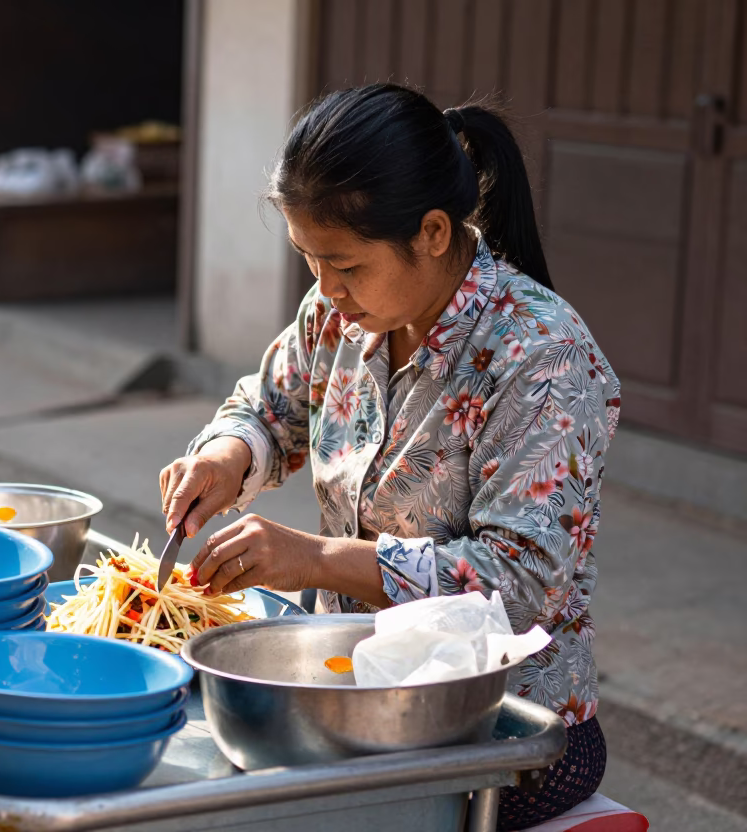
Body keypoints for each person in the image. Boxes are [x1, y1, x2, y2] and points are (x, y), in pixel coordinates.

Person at [159, 84, 619, 830]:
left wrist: (317, 560)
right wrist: (225, 456)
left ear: (434, 232)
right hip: (344, 694)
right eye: (310, 262)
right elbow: (269, 410)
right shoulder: (339, 313)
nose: (326, 290)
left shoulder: (543, 357)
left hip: (498, 732)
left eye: (344, 264)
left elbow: (518, 583)